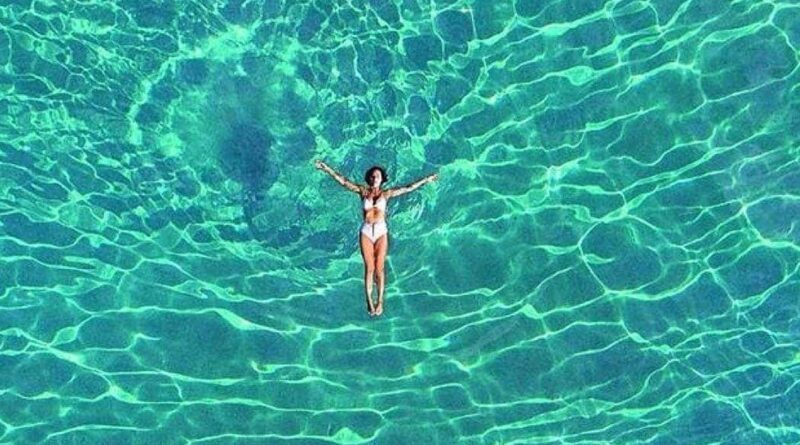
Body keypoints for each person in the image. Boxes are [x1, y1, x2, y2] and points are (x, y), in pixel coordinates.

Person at [315, 159, 438, 317]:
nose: (375, 179)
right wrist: (326, 168)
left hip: (381, 231)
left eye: (377, 177)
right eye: (372, 176)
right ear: (369, 178)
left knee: (379, 269)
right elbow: (344, 182)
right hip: (366, 231)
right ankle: (369, 300)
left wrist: (427, 179)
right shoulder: (363, 192)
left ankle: (380, 301)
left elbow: (408, 188)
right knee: (369, 268)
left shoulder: (386, 194)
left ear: (382, 179)